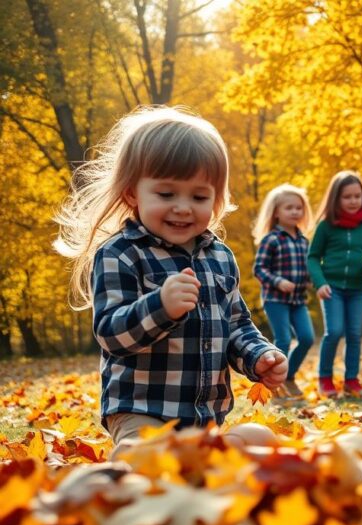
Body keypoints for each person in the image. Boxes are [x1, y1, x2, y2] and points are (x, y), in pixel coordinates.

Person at [52, 106, 286, 457]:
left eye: (199, 196)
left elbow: (237, 326)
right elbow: (110, 333)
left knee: (262, 439)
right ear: (133, 193)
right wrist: (159, 307)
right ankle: (132, 476)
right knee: (142, 456)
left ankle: (202, 461)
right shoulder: (121, 254)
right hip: (142, 413)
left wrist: (259, 356)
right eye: (166, 194)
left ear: (216, 199)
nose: (182, 207)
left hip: (204, 420)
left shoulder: (220, 257)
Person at [307, 171, 362, 395]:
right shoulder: (326, 226)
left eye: (357, 196)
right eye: (347, 197)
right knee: (335, 331)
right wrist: (320, 283)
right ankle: (325, 379)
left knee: (354, 334)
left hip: (357, 289)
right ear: (336, 199)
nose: (353, 201)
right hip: (332, 288)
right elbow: (312, 257)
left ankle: (351, 380)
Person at [252, 183, 314, 399]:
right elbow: (258, 269)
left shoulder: (304, 241)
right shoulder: (271, 240)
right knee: (284, 340)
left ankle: (288, 376)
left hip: (298, 300)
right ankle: (273, 384)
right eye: (289, 208)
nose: (295, 212)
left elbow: (309, 267)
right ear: (276, 212)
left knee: (307, 338)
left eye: (299, 208)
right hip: (275, 299)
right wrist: (278, 281)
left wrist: (311, 280)